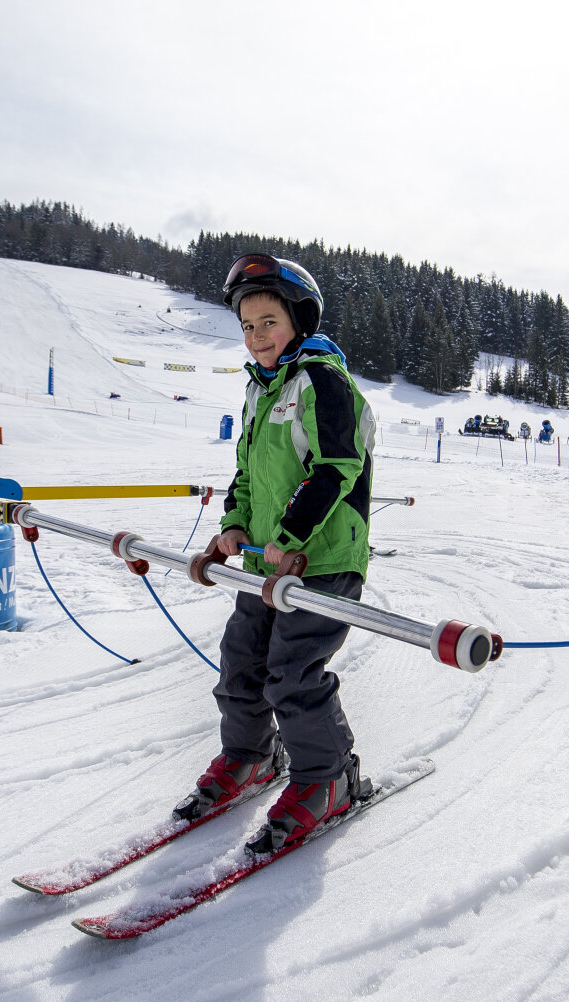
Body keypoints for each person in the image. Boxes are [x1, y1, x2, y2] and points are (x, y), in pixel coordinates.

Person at [175, 253, 377, 855]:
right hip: (268, 563)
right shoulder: (259, 392)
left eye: (269, 321)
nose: (256, 335)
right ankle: (250, 757)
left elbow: (337, 466)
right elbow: (247, 474)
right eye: (246, 324)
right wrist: (231, 530)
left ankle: (329, 777)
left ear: (299, 322)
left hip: (322, 562)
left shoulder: (322, 381)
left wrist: (291, 537)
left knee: (294, 672)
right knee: (241, 661)